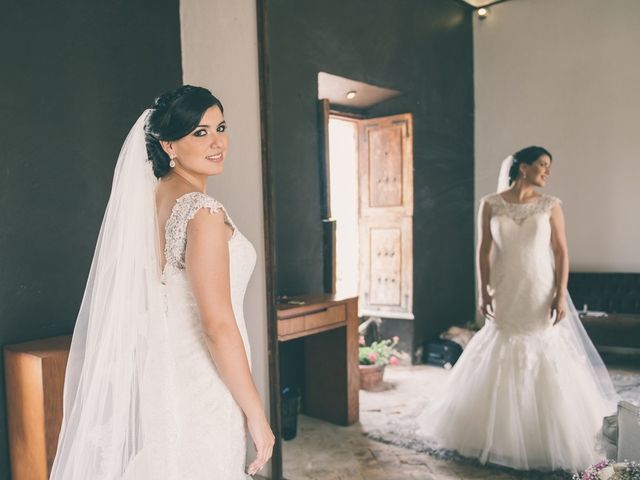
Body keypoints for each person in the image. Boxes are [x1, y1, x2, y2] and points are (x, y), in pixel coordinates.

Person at [50, 85, 273, 479]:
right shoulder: (202, 211)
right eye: (199, 133)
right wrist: (256, 413)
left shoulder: (152, 198)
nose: (218, 142)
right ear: (169, 145)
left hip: (166, 374)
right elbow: (217, 325)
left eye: (220, 127)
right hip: (205, 381)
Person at [416, 146, 619, 472]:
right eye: (542, 165)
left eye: (548, 166)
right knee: (501, 344)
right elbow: (484, 250)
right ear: (522, 167)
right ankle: (494, 437)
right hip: (505, 288)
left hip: (538, 289)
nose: (547, 172)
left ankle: (543, 434)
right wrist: (483, 291)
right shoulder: (490, 204)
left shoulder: (550, 206)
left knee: (541, 348)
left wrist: (559, 293)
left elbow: (561, 252)